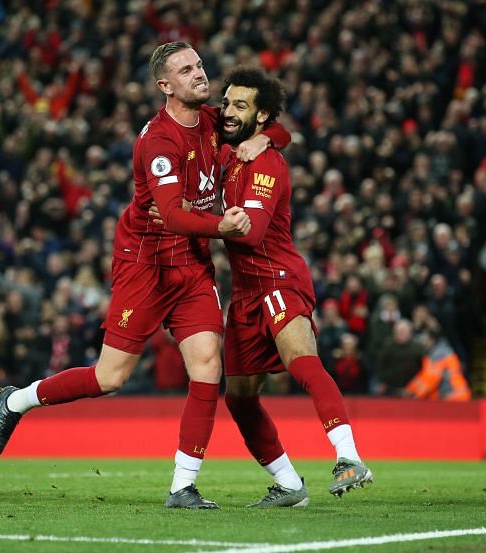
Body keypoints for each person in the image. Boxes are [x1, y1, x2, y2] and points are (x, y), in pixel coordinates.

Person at [0, 42, 289, 510]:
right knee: (110, 376)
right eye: (186, 71)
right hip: (145, 261)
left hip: (190, 263)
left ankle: (182, 487)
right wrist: (222, 225)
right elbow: (170, 214)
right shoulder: (157, 140)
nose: (199, 75)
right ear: (164, 85)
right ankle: (17, 401)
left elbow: (275, 128)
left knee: (208, 365)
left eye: (200, 66)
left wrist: (268, 139)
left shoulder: (211, 122)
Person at [179, 67, 372, 505]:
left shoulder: (266, 162)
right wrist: (273, 133)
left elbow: (249, 232)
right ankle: (288, 485)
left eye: (240, 106)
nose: (228, 111)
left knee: (302, 362)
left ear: (261, 115)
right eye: (227, 102)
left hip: (278, 279)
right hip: (244, 294)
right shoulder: (230, 153)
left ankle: (349, 457)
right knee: (240, 399)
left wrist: (194, 221)